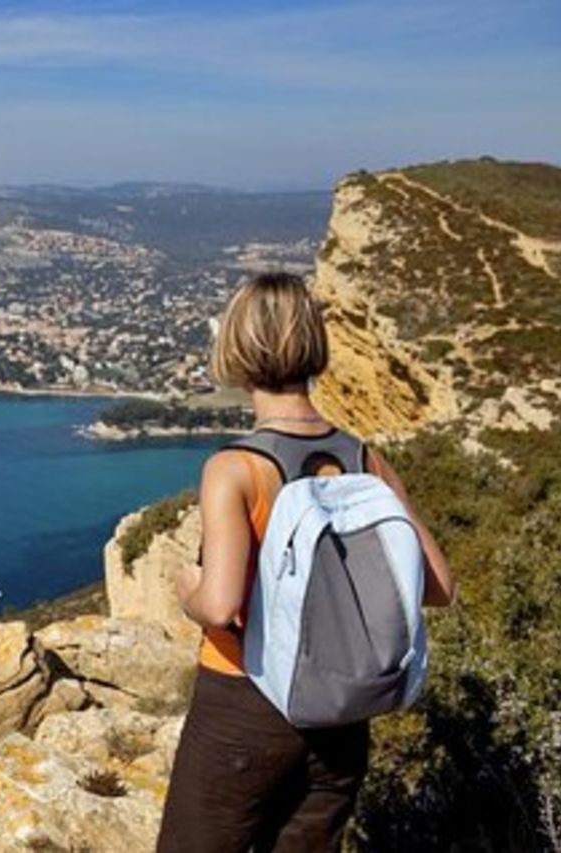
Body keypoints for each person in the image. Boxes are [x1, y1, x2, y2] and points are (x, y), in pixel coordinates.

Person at [156, 272, 456, 852]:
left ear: (236, 350)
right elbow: (439, 586)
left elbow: (219, 606)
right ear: (314, 348)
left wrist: (185, 584)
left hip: (244, 705)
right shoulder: (363, 457)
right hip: (343, 715)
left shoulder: (237, 468)